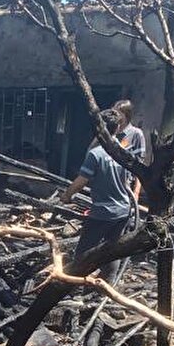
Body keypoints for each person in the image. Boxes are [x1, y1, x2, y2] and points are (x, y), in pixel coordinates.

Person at [57, 108, 137, 280]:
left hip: (103, 212)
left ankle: (72, 283)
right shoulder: (124, 151)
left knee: (83, 250)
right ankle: (109, 282)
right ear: (117, 128)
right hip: (123, 210)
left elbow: (81, 181)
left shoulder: (96, 154)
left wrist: (67, 196)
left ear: (99, 128)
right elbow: (128, 181)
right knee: (111, 248)